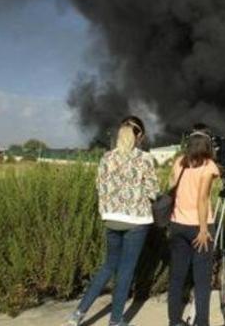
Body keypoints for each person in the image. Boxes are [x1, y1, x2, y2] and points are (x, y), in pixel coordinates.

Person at [64, 116, 160, 326]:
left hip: (111, 220)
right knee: (126, 271)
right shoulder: (145, 159)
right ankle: (116, 321)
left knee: (108, 266)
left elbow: (100, 187)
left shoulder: (107, 158)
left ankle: (78, 314)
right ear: (139, 136)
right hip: (136, 221)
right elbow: (153, 192)